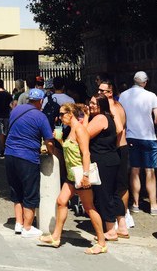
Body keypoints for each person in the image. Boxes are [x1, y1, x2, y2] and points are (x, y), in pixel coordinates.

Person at [39, 103, 107, 254]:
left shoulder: (80, 130)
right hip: (72, 175)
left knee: (89, 208)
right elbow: (71, 149)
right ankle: (56, 236)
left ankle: (101, 243)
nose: (60, 117)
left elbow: (86, 153)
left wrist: (86, 175)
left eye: (62, 114)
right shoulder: (70, 130)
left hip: (80, 175)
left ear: (71, 114)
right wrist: (61, 141)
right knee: (61, 201)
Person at [4, 87, 55, 238]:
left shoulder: (15, 110)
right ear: (40, 101)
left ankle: (19, 223)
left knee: (16, 190)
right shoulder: (40, 116)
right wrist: (51, 153)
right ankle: (27, 227)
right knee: (30, 191)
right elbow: (49, 141)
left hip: (9, 154)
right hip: (27, 156)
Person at [120, 71, 157, 215]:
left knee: (135, 170)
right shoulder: (151, 96)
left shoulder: (123, 96)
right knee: (150, 171)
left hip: (131, 137)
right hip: (148, 137)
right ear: (145, 83)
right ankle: (153, 206)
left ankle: (136, 204)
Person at [88, 92, 123, 241]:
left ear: (101, 106)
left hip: (102, 160)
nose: (90, 106)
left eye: (93, 104)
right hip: (111, 159)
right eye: (90, 102)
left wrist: (82, 122)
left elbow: (85, 134)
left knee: (104, 195)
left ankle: (110, 230)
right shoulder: (109, 118)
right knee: (113, 193)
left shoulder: (101, 118)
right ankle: (121, 227)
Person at [99, 79, 130, 237]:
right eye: (99, 90)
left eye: (103, 91)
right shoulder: (118, 105)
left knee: (116, 188)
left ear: (110, 93)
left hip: (117, 148)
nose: (99, 93)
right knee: (119, 187)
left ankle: (120, 221)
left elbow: (118, 128)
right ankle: (122, 222)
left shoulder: (111, 106)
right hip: (121, 148)